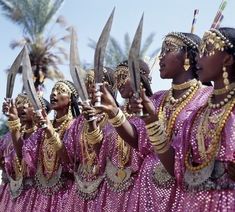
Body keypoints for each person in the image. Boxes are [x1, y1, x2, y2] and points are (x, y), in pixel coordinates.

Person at [129, 32, 212, 211]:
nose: (161, 56)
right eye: (161, 51)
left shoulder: (206, 98)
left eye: (168, 50)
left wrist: (153, 122)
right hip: (147, 188)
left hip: (182, 189)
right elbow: (138, 141)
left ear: (188, 56)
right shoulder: (157, 99)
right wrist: (113, 113)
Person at [178, 27, 235, 211]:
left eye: (206, 50)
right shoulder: (197, 115)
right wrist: (151, 120)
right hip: (196, 203)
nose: (197, 57)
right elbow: (176, 167)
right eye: (198, 51)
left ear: (228, 58)